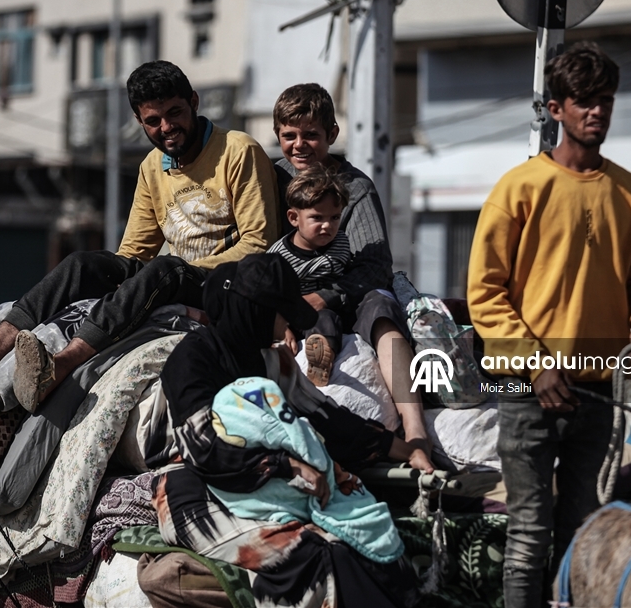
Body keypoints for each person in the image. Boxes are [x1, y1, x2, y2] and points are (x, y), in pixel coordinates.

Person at [0, 60, 279, 414]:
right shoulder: (153, 167)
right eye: (153, 121)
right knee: (82, 264)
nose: (167, 127)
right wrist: (116, 285)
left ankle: (59, 366)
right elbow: (133, 252)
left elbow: (258, 245)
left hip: (227, 284)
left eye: (175, 113)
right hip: (173, 277)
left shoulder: (238, 150)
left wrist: (174, 274)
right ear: (139, 122)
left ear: (194, 103)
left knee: (166, 268)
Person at [466, 42, 631, 608]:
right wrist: (536, 364)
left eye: (605, 101)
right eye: (584, 102)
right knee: (529, 536)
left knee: (582, 536)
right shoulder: (519, 188)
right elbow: (485, 293)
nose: (596, 111)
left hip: (599, 388)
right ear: (556, 109)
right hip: (529, 390)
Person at [156, 253, 421, 608]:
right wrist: (289, 468)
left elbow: (327, 417)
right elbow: (205, 450)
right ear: (256, 312)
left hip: (277, 483)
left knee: (367, 540)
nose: (286, 327)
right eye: (281, 314)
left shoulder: (272, 359)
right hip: (201, 489)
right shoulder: (191, 360)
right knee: (318, 554)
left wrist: (409, 450)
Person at [272, 83, 434, 473]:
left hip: (346, 298)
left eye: (311, 135)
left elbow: (373, 264)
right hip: (288, 297)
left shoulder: (355, 188)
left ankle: (415, 434)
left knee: (382, 304)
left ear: (332, 134)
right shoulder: (270, 180)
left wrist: (323, 297)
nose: (300, 145)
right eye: (289, 136)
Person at [267, 165, 352, 385]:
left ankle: (322, 360)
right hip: (291, 317)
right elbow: (269, 295)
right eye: (317, 218)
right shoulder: (279, 256)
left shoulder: (341, 242)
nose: (328, 226)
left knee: (326, 320)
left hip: (331, 311)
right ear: (294, 218)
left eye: (334, 217)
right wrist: (282, 327)